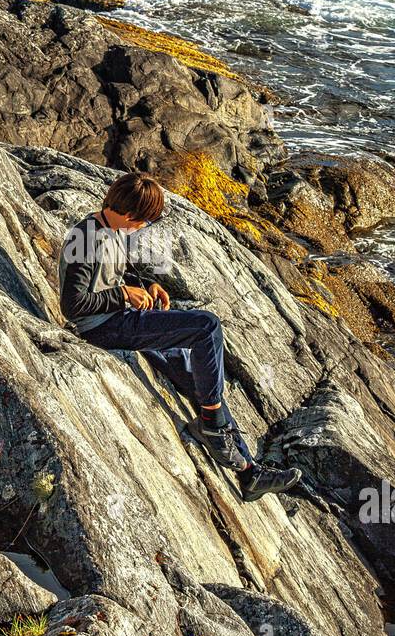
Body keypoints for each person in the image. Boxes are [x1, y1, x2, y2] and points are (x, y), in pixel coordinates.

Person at [59, 171, 302, 502]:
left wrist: (144, 287)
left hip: (119, 319)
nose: (144, 227)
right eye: (144, 221)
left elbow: (112, 272)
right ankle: (215, 426)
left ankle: (248, 472)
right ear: (131, 215)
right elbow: (73, 306)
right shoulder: (84, 237)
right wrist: (123, 296)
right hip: (104, 328)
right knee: (206, 327)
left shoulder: (107, 228)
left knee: (196, 376)